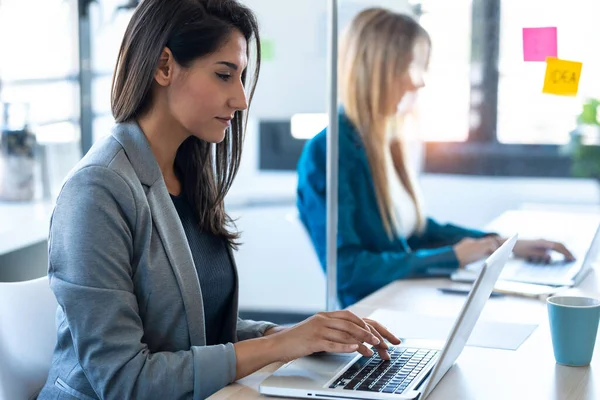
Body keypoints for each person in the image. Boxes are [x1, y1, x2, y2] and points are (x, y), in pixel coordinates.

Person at [37, 1, 401, 399]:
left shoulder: (185, 174)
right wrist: (277, 346)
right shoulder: (96, 192)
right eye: (224, 75)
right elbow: (125, 381)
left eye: (241, 77)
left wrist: (294, 334)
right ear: (163, 67)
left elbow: (191, 330)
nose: (242, 99)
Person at [296, 8, 574, 309]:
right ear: (380, 70)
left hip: (404, 299)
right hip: (373, 313)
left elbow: (417, 231)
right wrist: (452, 256)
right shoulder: (329, 152)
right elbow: (347, 270)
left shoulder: (385, 142)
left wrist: (500, 245)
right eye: (415, 67)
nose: (421, 83)